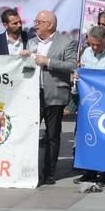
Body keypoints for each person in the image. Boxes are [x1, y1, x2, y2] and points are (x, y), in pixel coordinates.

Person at [22, 10, 78, 186]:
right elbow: (26, 66)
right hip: (33, 94)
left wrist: (48, 62)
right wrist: (23, 59)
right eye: (36, 21)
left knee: (52, 135)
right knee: (29, 133)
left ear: (50, 25)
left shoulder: (67, 42)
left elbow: (71, 65)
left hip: (54, 93)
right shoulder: (31, 42)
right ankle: (28, 170)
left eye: (39, 21)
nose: (35, 24)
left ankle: (49, 173)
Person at [73, 26, 105, 185]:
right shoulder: (86, 53)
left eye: (98, 45)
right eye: (92, 44)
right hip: (88, 102)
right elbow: (82, 72)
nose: (94, 48)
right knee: (88, 135)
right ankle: (89, 171)